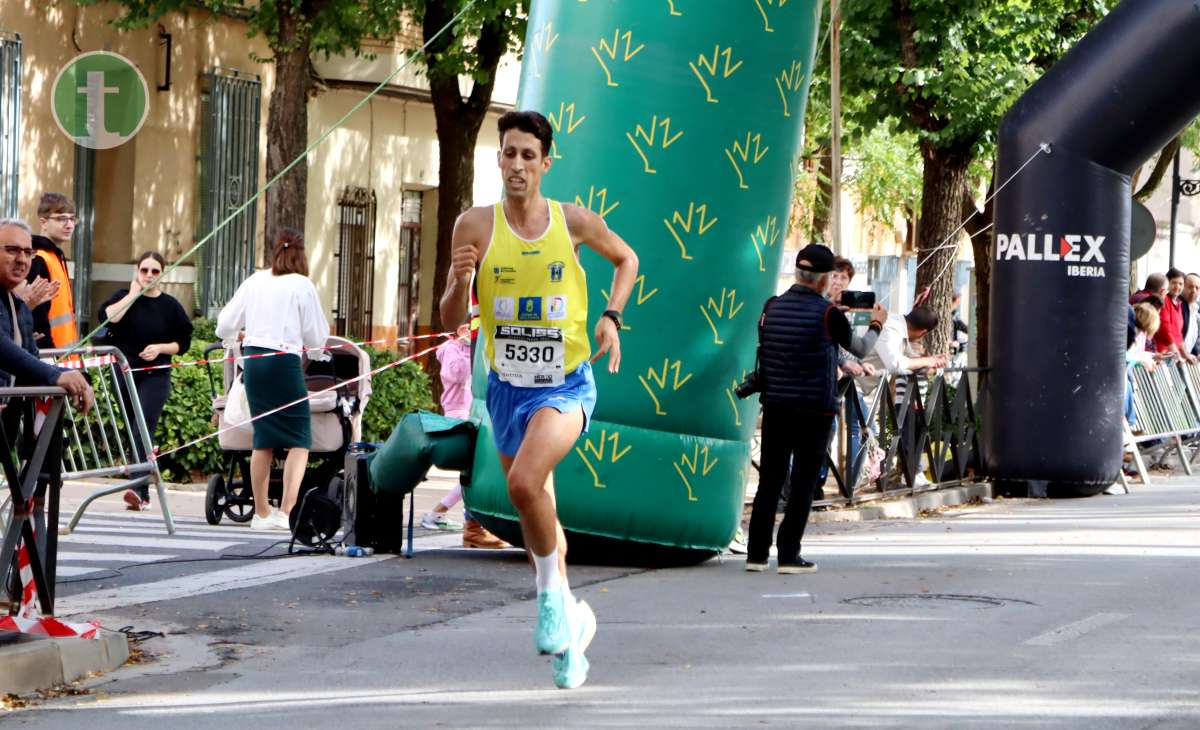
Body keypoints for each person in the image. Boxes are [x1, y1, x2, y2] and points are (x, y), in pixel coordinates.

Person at [439, 110, 638, 690]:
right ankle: (573, 633)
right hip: (505, 389)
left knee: (524, 483)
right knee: (534, 511)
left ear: (546, 163)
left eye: (529, 155)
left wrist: (611, 316)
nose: (518, 164)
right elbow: (453, 319)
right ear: (497, 159)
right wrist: (458, 283)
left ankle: (550, 601)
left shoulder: (571, 221)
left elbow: (627, 259)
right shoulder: (473, 226)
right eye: (509, 153)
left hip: (566, 384)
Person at [747, 244, 884, 575]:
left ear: (797, 274)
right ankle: (789, 555)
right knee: (804, 481)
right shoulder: (828, 315)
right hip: (815, 411)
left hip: (776, 405)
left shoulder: (772, 307)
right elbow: (861, 349)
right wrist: (877, 324)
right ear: (823, 280)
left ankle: (756, 555)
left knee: (770, 479)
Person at [216, 228, 330, 531]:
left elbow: (224, 323)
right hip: (284, 361)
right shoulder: (301, 284)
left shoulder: (254, 280)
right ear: (301, 255)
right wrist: (317, 352)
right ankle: (287, 510)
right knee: (299, 439)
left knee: (263, 437)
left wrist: (234, 339)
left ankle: (261, 512)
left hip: (253, 361)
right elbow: (317, 336)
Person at [101, 252, 194, 510]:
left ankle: (138, 490)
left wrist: (160, 348)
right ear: (136, 271)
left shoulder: (171, 306)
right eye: (144, 270)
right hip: (124, 372)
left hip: (156, 374)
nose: (149, 276)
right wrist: (133, 294)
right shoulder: (123, 297)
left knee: (142, 423)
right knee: (134, 429)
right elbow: (109, 318)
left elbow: (183, 342)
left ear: (163, 273)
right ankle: (143, 490)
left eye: (155, 271)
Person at [421, 323, 511, 549]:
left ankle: (455, 519)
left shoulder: (475, 346)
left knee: (473, 470)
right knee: (473, 470)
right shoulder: (450, 348)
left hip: (474, 410)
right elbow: (458, 373)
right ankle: (444, 514)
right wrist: (465, 347)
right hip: (458, 413)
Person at [0, 219, 93, 412]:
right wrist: (56, 376)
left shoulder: (19, 307)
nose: (22, 259)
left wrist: (77, 378)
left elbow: (30, 358)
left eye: (28, 252)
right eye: (12, 250)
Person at [27, 193, 80, 348]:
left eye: (72, 218)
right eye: (62, 219)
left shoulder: (55, 256)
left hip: (64, 356)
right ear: (43, 222)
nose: (69, 225)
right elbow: (37, 313)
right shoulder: (39, 258)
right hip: (50, 358)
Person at [1154, 268, 1191, 362]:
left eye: (1181, 284)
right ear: (1167, 283)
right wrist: (1176, 353)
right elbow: (1165, 329)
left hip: (1172, 355)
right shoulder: (1164, 300)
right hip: (1163, 354)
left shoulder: (1178, 303)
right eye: (1174, 282)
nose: (1177, 286)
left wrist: (1186, 354)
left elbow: (1178, 334)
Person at [1181, 273, 1200, 358]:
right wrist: (1185, 354)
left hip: (1187, 358)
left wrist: (1197, 353)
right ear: (1183, 287)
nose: (1194, 290)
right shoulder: (1178, 306)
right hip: (1176, 358)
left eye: (1197, 288)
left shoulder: (1196, 308)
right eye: (1190, 287)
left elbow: (1193, 337)